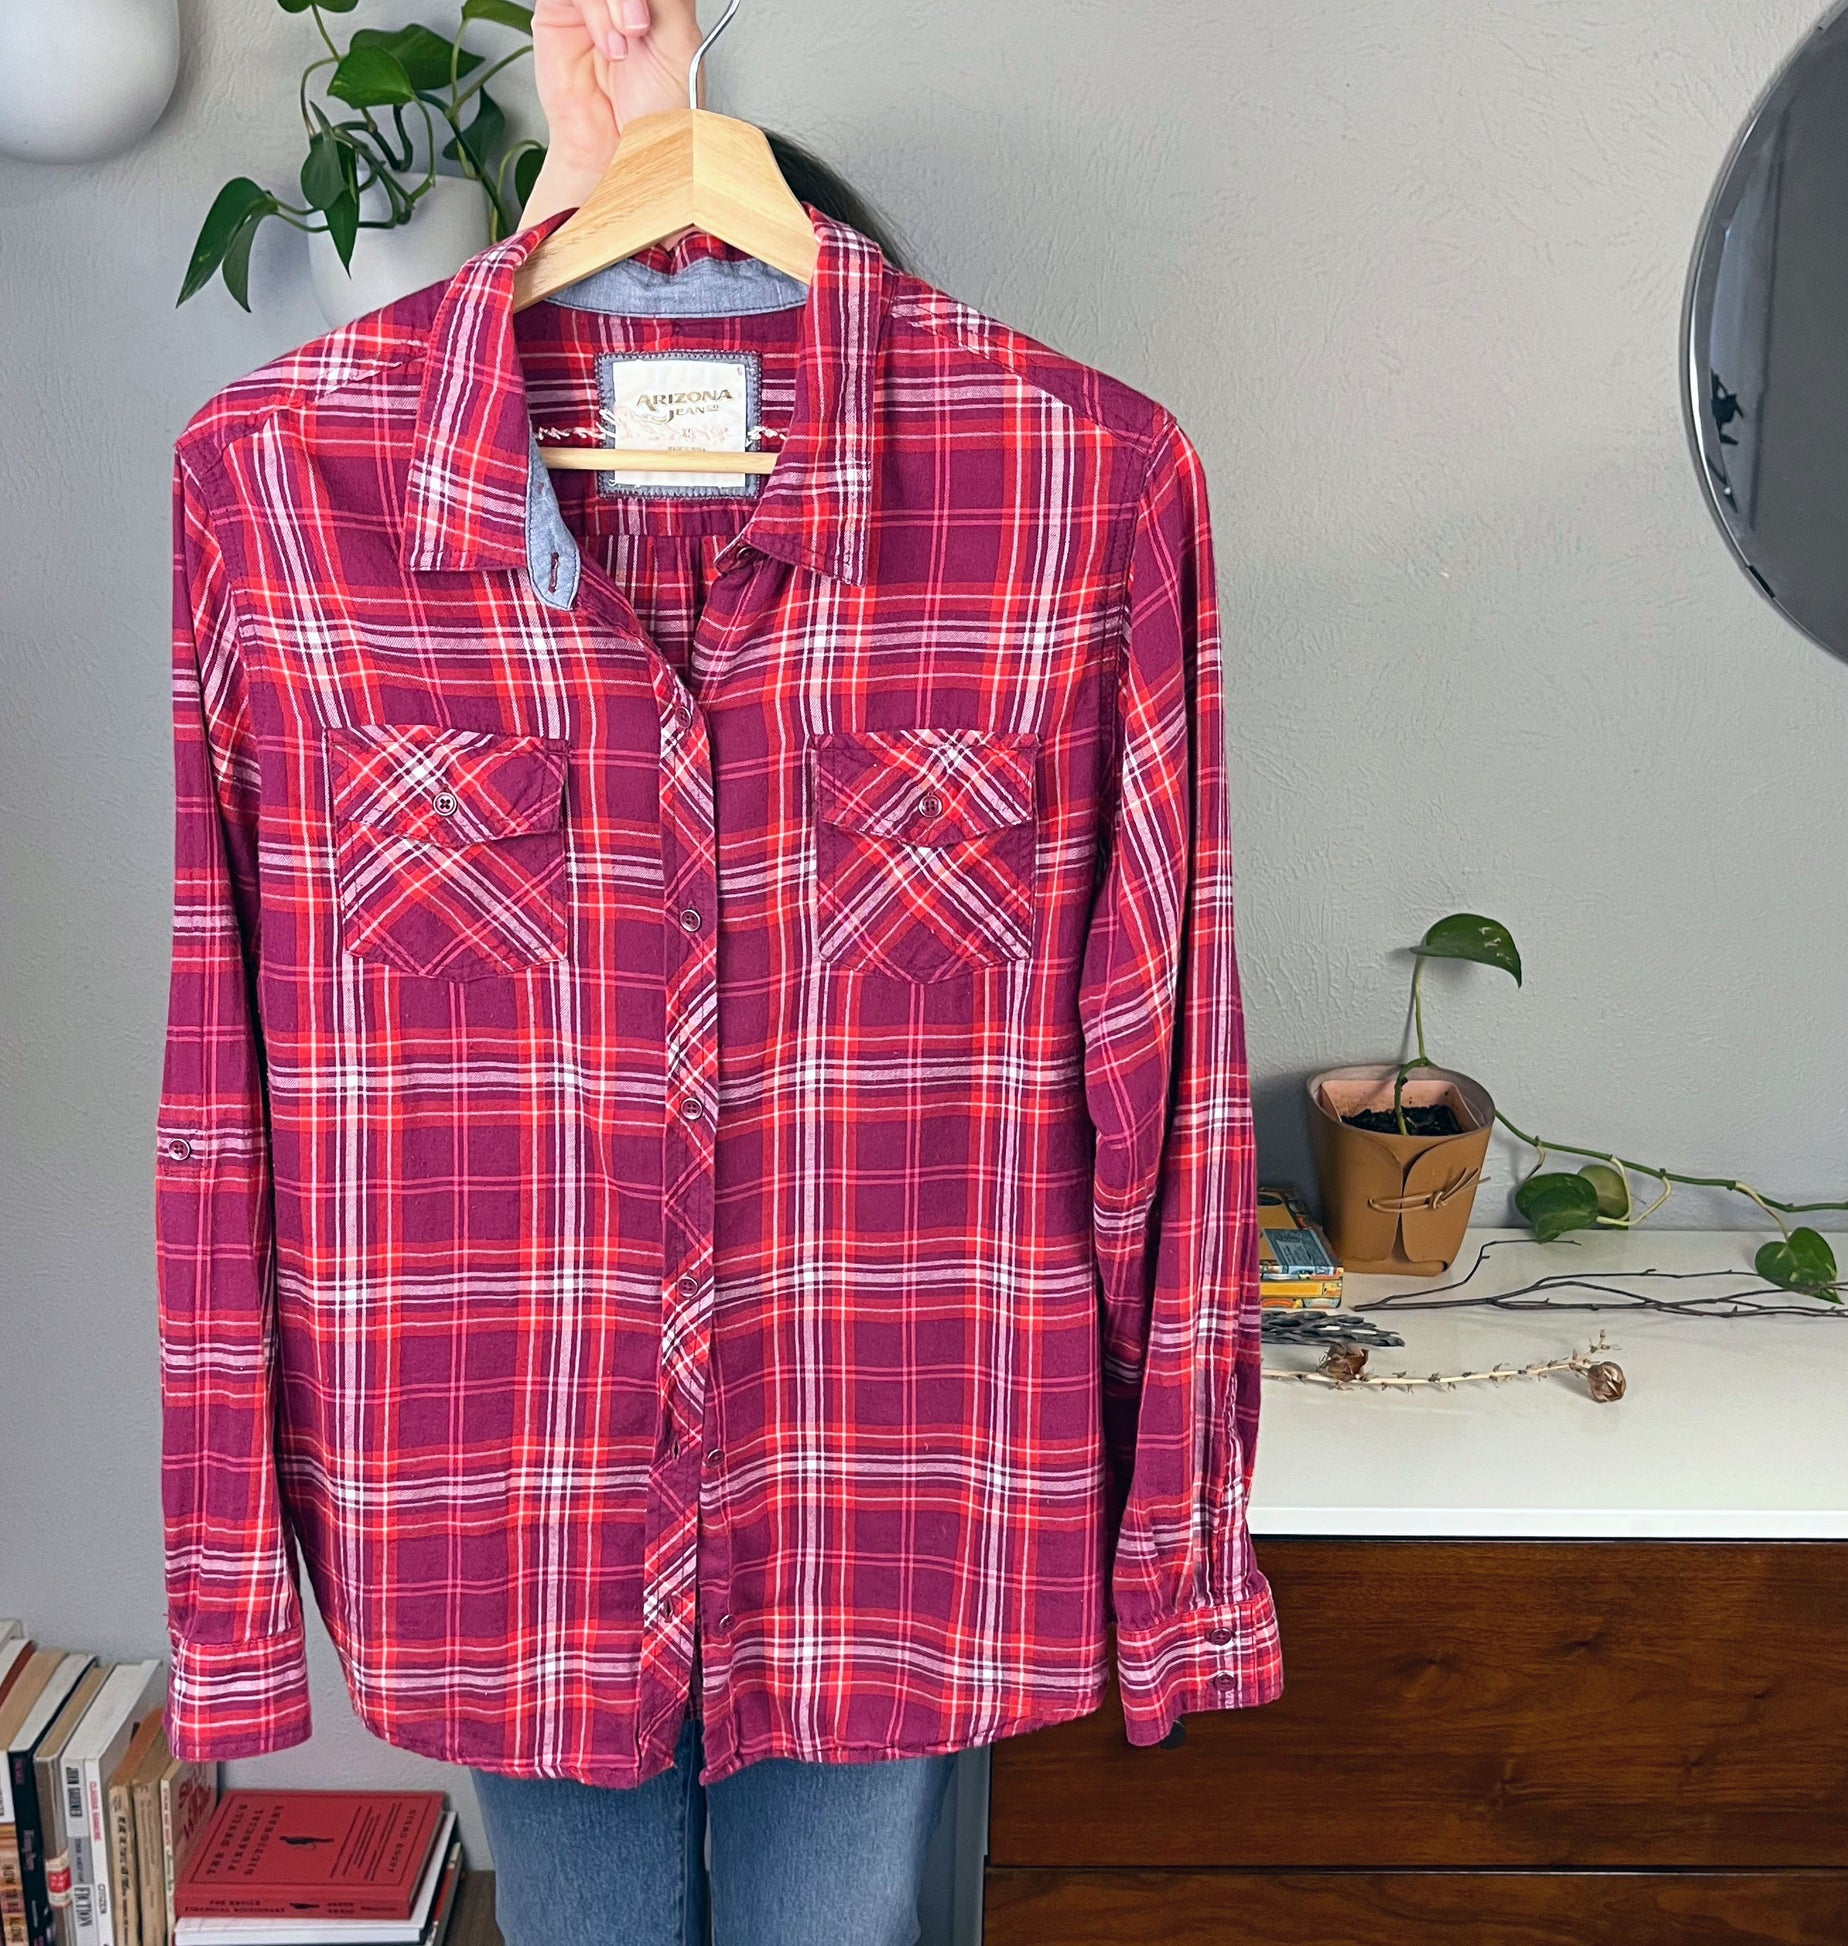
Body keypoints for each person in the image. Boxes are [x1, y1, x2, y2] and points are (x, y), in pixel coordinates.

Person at [468, 12, 951, 1946]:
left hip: (864, 1493)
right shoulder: (444, 603)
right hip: (534, 1497)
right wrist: (591, 184)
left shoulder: (987, 602)